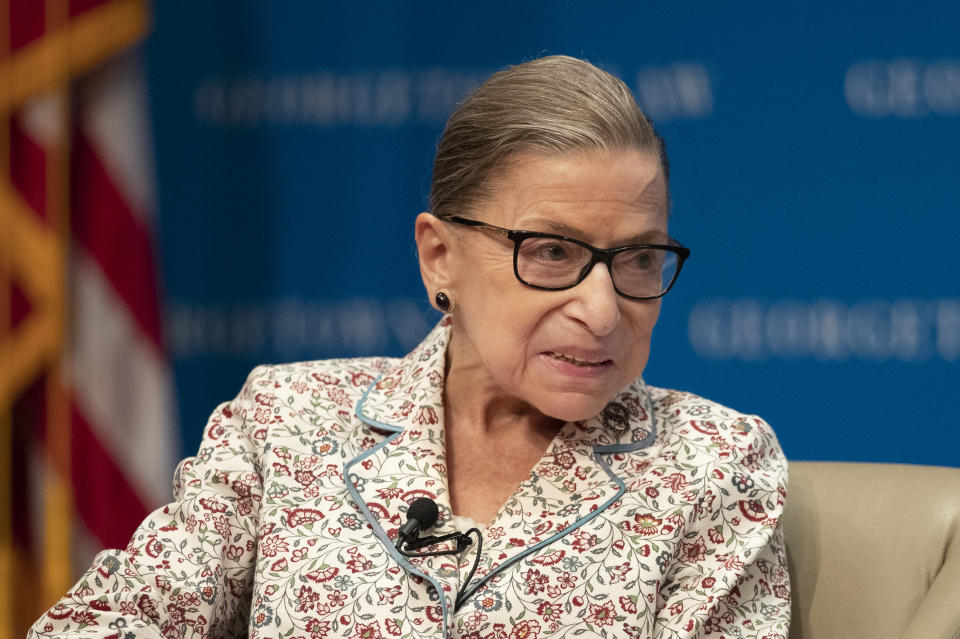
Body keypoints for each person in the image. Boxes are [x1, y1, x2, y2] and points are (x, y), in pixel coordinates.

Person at [29, 55, 790, 639]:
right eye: (552, 253)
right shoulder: (287, 421)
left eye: (636, 259)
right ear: (439, 258)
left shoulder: (714, 463)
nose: (601, 309)